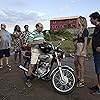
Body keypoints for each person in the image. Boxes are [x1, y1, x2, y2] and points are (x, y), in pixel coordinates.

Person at [26, 23, 45, 87]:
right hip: (35, 51)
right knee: (32, 65)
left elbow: (42, 40)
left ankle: (43, 74)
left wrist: (47, 42)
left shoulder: (42, 34)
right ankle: (28, 80)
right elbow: (29, 44)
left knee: (45, 61)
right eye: (40, 27)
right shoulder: (33, 34)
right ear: (37, 27)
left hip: (41, 51)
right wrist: (37, 42)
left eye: (42, 27)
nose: (42, 28)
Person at [73, 17, 89, 87]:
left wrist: (84, 50)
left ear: (82, 21)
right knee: (75, 62)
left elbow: (85, 41)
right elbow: (77, 40)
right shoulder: (79, 30)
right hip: (78, 47)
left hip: (82, 47)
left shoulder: (85, 30)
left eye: (78, 21)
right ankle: (78, 76)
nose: (77, 22)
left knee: (81, 64)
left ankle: (82, 80)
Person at [89, 12, 100, 94]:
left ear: (96, 19)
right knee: (97, 70)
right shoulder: (97, 27)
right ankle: (98, 84)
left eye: (91, 19)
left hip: (99, 53)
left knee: (99, 70)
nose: (90, 20)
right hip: (96, 52)